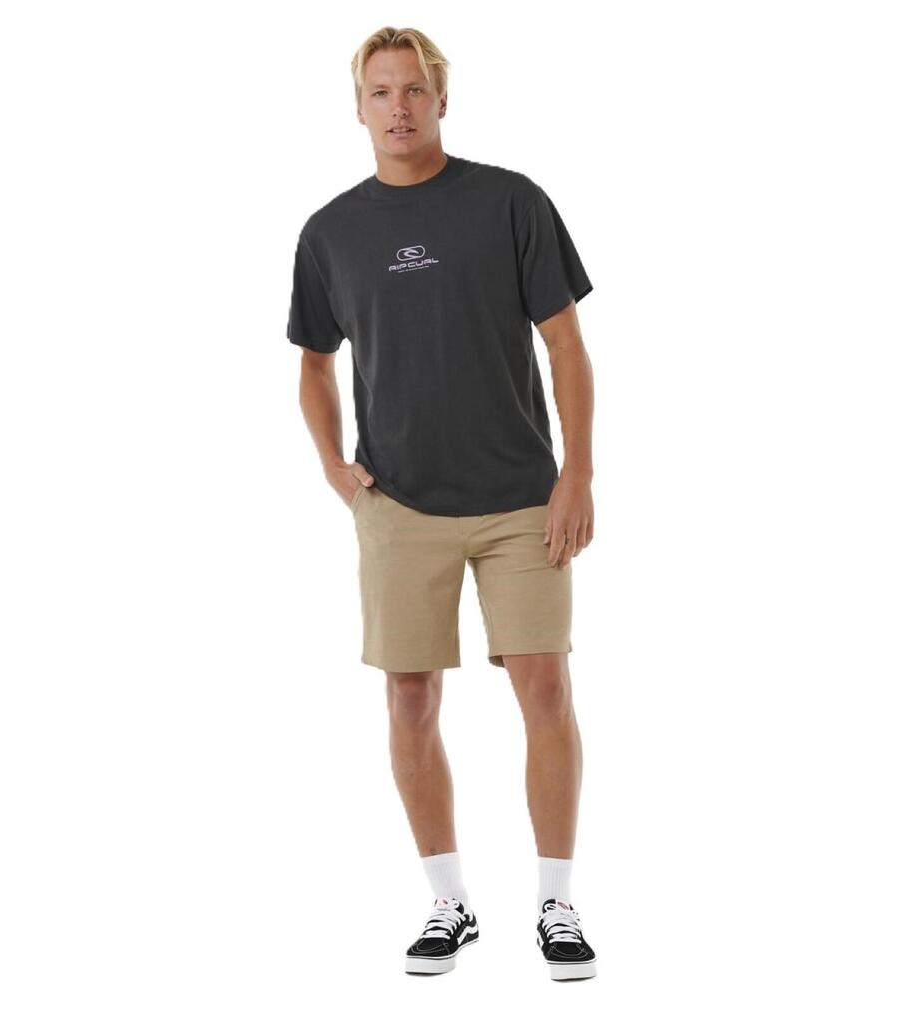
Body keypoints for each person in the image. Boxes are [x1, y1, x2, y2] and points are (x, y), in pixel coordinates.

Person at [285, 26, 597, 982]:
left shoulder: (510, 201)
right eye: (381, 92)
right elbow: (314, 364)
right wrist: (334, 466)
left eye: (414, 89)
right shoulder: (330, 232)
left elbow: (566, 346)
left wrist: (577, 474)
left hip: (520, 500)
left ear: (441, 99)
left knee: (545, 687)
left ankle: (556, 904)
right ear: (358, 108)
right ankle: (448, 903)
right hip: (400, 506)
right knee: (409, 696)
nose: (399, 107)